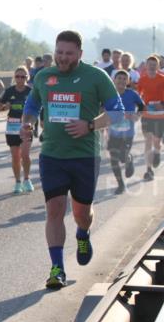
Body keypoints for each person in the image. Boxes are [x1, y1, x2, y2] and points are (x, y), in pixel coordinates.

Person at [20, 30, 122, 290]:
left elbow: (117, 112)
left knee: (82, 213)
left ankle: (83, 233)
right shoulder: (44, 76)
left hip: (85, 156)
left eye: (68, 53)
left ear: (79, 54)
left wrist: (89, 125)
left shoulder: (95, 77)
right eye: (59, 52)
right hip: (52, 155)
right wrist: (28, 124)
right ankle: (57, 268)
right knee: (54, 209)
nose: (63, 58)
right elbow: (32, 106)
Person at [0, 66, 35, 194]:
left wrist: (33, 122)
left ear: (27, 78)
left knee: (25, 154)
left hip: (26, 126)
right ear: (14, 78)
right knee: (15, 156)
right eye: (17, 76)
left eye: (23, 76)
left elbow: (38, 107)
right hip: (12, 126)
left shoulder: (31, 91)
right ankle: (18, 182)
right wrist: (4, 107)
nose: (20, 79)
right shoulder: (9, 91)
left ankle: (27, 179)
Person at [107, 69, 145, 193]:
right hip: (113, 132)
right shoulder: (108, 94)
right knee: (114, 160)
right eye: (119, 78)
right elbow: (101, 107)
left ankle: (128, 159)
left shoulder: (132, 94)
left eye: (125, 79)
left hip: (127, 132)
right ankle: (120, 184)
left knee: (123, 157)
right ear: (114, 80)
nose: (122, 81)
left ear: (128, 81)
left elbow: (142, 106)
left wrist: (137, 115)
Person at [138, 54, 164, 180]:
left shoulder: (162, 79)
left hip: (160, 114)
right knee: (148, 140)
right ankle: (148, 170)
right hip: (147, 114)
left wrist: (162, 104)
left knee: (156, 141)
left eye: (155, 65)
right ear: (146, 66)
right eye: (150, 65)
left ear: (158, 66)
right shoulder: (142, 80)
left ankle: (158, 152)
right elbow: (138, 96)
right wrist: (141, 106)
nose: (152, 67)